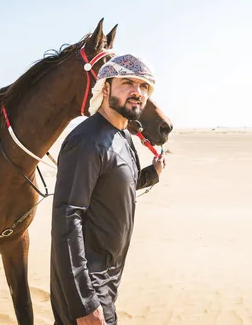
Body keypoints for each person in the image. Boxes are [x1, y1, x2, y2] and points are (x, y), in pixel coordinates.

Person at [50, 54, 166, 325]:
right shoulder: (87, 141)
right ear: (105, 88)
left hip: (109, 275)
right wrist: (84, 302)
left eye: (143, 86)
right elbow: (67, 219)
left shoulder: (122, 136)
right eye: (127, 83)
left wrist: (151, 174)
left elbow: (117, 185)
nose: (137, 92)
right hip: (88, 282)